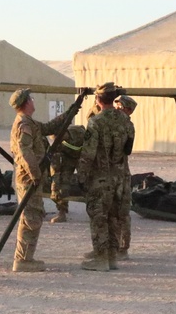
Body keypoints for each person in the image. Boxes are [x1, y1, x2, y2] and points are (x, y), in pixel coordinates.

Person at [9, 87, 75, 272]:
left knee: (33, 216)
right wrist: (35, 174)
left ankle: (25, 257)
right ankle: (23, 260)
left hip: (31, 178)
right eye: (31, 98)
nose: (33, 101)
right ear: (26, 102)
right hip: (29, 179)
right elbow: (24, 151)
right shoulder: (24, 124)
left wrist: (69, 113)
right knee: (31, 217)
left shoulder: (29, 122)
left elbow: (47, 128)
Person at [77, 83, 134, 272]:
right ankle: (111, 257)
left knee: (99, 217)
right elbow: (128, 149)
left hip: (101, 178)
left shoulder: (96, 122)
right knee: (115, 217)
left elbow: (88, 153)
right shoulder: (126, 121)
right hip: (120, 178)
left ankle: (101, 258)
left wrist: (82, 176)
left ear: (98, 100)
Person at [114, 94, 137, 257]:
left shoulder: (125, 125)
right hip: (118, 171)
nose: (117, 109)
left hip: (120, 172)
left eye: (120, 106)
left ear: (128, 110)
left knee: (122, 211)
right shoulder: (123, 124)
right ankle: (115, 246)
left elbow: (125, 150)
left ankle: (122, 247)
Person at [49, 124, 86, 223]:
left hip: (84, 156)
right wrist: (55, 189)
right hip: (68, 157)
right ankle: (62, 212)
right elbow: (55, 169)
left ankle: (96, 211)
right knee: (63, 183)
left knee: (88, 182)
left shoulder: (80, 133)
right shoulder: (57, 145)